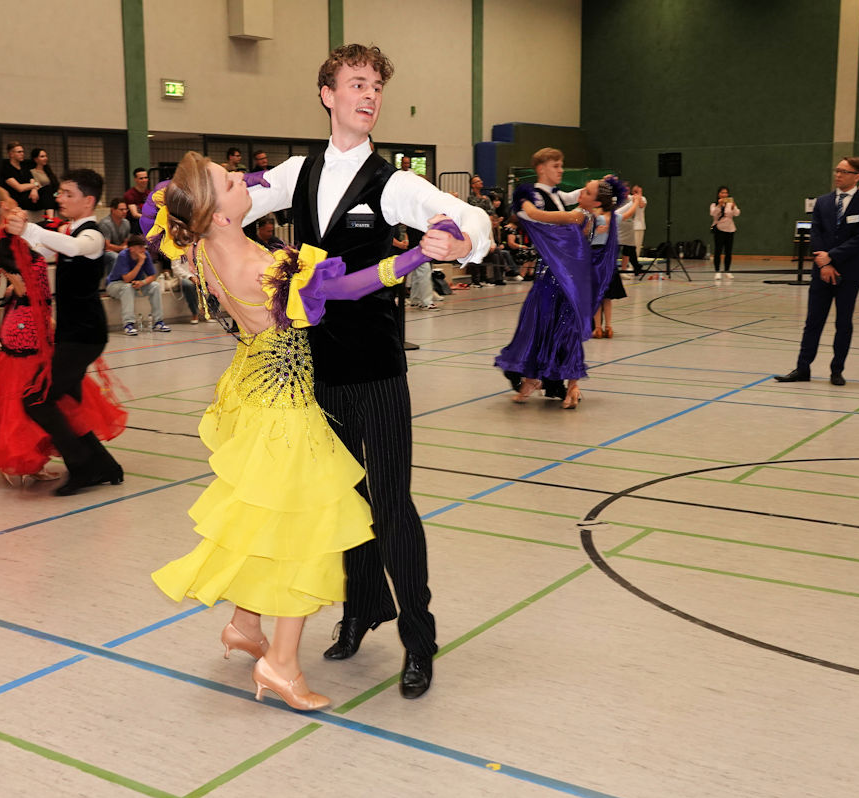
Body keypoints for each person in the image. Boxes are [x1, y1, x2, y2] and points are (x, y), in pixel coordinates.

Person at [148, 152, 462, 709]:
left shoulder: (196, 246)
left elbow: (166, 208)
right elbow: (351, 286)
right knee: (303, 532)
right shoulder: (264, 267)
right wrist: (415, 255)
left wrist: (231, 182)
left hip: (255, 386)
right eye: (231, 181)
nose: (245, 181)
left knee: (262, 514)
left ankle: (246, 625)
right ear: (219, 213)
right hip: (288, 404)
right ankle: (281, 665)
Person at [242, 43, 491, 699]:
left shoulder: (393, 183)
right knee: (340, 500)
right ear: (328, 95)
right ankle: (359, 610)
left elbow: (468, 216)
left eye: (376, 85)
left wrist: (461, 239)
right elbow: (231, 202)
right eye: (357, 83)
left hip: (377, 368)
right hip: (316, 369)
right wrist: (185, 208)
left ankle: (419, 640)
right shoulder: (296, 173)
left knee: (391, 505)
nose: (370, 95)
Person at [0, 186, 125, 484]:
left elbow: (52, 253)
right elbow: (24, 288)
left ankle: (53, 459)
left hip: (34, 320)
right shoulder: (9, 240)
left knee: (41, 393)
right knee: (30, 394)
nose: (20, 208)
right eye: (14, 203)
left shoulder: (17, 238)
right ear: (4, 207)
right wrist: (42, 313)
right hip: (27, 323)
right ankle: (22, 458)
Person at [8, 168, 124, 496]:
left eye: (68, 193)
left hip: (85, 335)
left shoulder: (93, 236)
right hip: (72, 333)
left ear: (88, 201)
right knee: (66, 402)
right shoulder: (69, 231)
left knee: (36, 399)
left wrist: (30, 229)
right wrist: (20, 229)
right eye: (59, 192)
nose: (60, 198)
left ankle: (83, 465)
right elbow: (44, 249)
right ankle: (104, 466)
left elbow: (72, 248)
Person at [495, 168, 621, 408]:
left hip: (559, 282)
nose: (581, 192)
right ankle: (547, 382)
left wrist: (522, 199)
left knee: (552, 330)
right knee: (554, 331)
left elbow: (538, 215)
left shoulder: (579, 216)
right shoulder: (590, 215)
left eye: (587, 191)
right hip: (561, 280)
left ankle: (560, 384)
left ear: (595, 202)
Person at [775, 157, 859, 386]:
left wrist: (832, 257)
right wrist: (824, 263)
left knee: (843, 322)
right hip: (821, 271)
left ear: (857, 176)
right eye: (837, 170)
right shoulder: (823, 202)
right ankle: (802, 368)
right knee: (813, 321)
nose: (838, 175)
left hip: (849, 272)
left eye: (844, 171)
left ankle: (837, 370)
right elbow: (816, 233)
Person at [592, 194, 637, 338]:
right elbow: (628, 213)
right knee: (607, 297)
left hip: (595, 256)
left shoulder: (594, 217)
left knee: (597, 295)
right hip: (609, 257)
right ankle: (608, 327)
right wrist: (635, 202)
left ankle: (597, 328)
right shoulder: (614, 217)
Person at [107, 234, 169, 335]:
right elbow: (126, 279)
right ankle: (128, 324)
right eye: (140, 247)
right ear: (131, 249)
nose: (143, 250)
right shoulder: (123, 255)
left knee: (155, 286)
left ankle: (158, 322)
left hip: (135, 285)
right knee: (127, 288)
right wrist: (140, 263)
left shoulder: (145, 254)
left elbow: (152, 276)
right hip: (115, 285)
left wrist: (142, 282)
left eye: (144, 247)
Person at [709, 186, 740, 278]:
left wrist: (733, 207)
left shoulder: (730, 204)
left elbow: (737, 213)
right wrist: (719, 205)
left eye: (726, 193)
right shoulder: (714, 204)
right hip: (719, 229)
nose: (724, 194)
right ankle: (717, 271)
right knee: (718, 251)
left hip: (730, 229)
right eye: (722, 193)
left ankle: (727, 270)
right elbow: (713, 213)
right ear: (719, 194)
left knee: (728, 252)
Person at [1, 141, 40, 209]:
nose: (22, 154)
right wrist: (35, 185)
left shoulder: (25, 167)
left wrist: (34, 190)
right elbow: (19, 188)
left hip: (29, 197)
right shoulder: (6, 169)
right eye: (19, 152)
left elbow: (32, 180)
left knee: (46, 190)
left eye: (23, 152)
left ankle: (50, 215)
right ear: (11, 154)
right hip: (16, 199)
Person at [98, 197, 131, 273]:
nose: (124, 212)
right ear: (113, 210)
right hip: (104, 253)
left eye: (126, 209)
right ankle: (112, 280)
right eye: (121, 210)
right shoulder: (105, 223)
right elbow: (107, 246)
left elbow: (126, 242)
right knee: (114, 256)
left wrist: (121, 248)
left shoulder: (126, 223)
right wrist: (122, 248)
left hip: (118, 249)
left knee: (138, 253)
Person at [28, 148, 59, 220]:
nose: (45, 158)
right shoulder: (32, 172)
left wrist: (58, 193)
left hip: (52, 194)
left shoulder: (48, 172)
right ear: (36, 159)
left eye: (46, 156)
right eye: (42, 156)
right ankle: (50, 219)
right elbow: (36, 184)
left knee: (60, 193)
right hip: (40, 195)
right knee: (47, 189)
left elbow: (55, 185)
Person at [123, 168, 150, 234]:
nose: (144, 180)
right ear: (135, 179)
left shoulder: (149, 193)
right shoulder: (130, 194)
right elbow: (135, 214)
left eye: (146, 178)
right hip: (134, 225)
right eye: (141, 178)